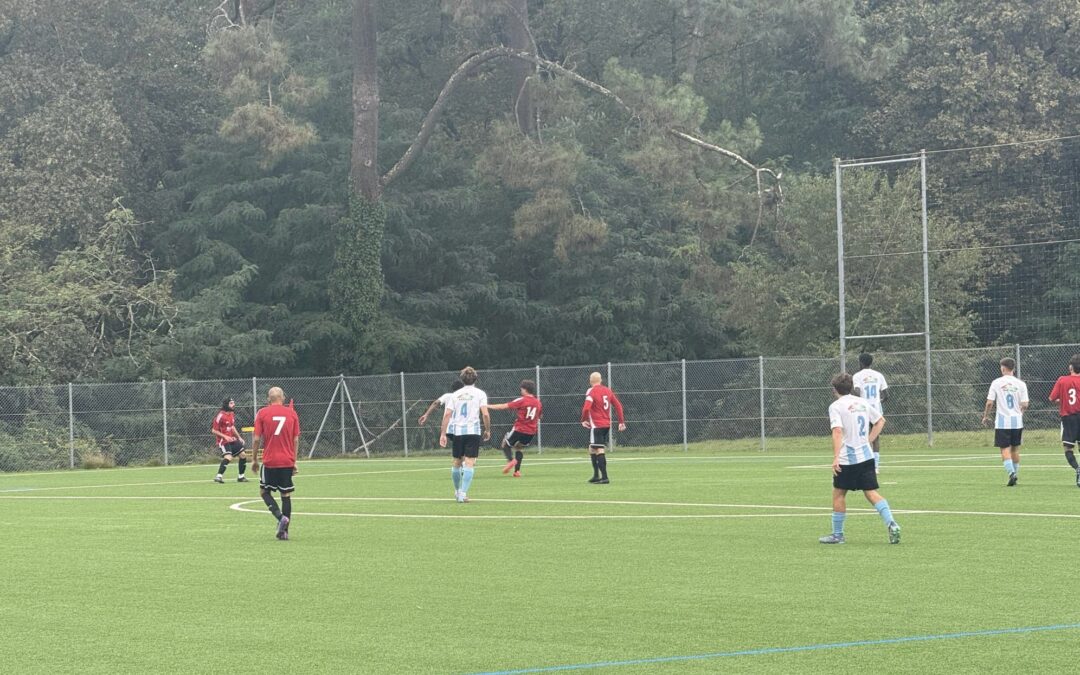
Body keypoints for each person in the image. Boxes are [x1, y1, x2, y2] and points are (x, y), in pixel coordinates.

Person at [820, 373, 901, 545]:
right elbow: (880, 421)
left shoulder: (836, 406)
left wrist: (836, 457)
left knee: (839, 493)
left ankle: (838, 535)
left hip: (847, 458)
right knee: (871, 493)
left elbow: (837, 431)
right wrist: (869, 440)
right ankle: (892, 524)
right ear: (851, 387)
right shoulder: (862, 402)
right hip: (867, 456)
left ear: (834, 389)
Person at [252, 387, 301, 540]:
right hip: (287, 460)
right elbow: (296, 440)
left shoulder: (262, 413)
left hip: (270, 460)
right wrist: (294, 461)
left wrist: (254, 459)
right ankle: (284, 532)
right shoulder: (292, 413)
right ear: (283, 398)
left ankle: (280, 517)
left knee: (264, 492)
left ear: (268, 399)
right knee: (285, 494)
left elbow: (256, 439)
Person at [439, 367, 491, 503]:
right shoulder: (480, 394)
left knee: (457, 462)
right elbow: (485, 414)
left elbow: (447, 414)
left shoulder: (456, 394)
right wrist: (487, 430)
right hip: (473, 432)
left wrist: (443, 433)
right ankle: (463, 493)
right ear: (475, 379)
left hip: (458, 432)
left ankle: (457, 492)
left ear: (462, 379)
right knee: (469, 462)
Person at [982, 358, 1029, 487]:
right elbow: (1025, 404)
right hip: (1017, 422)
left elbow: (989, 403)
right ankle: (1015, 474)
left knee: (1004, 449)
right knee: (1015, 449)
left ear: (1003, 368)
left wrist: (986, 416)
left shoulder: (996, 383)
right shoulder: (1021, 384)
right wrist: (1020, 413)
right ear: (1013, 368)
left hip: (1003, 422)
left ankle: (1011, 473)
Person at [484, 379, 542, 477]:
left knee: (505, 444)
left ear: (525, 389)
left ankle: (511, 461)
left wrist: (487, 406)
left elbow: (503, 406)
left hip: (520, 429)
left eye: (521, 389)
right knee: (519, 448)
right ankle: (517, 472)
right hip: (531, 432)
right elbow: (539, 416)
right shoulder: (538, 403)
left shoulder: (522, 400)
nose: (521, 390)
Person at [580, 372, 626, 484]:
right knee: (592, 448)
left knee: (599, 449)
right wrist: (621, 422)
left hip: (597, 425)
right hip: (606, 425)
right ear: (600, 380)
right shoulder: (607, 390)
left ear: (590, 381)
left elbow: (586, 408)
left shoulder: (592, 391)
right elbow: (618, 406)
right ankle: (596, 475)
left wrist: (583, 419)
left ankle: (604, 477)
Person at [851, 353, 889, 473]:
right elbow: (886, 395)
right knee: (875, 437)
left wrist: (857, 397)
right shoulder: (879, 375)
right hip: (876, 409)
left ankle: (861, 463)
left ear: (860, 362)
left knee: (860, 436)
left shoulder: (857, 376)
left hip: (862, 409)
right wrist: (877, 401)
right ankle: (875, 466)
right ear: (871, 363)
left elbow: (857, 392)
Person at [1049, 354, 1080, 487]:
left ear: (1070, 367)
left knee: (1068, 448)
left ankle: (1078, 469)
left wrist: (1063, 400)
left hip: (1069, 418)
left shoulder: (1062, 380)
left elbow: (1052, 398)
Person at [212, 398, 247, 483]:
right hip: (223, 441)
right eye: (231, 403)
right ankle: (219, 477)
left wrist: (239, 437)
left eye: (233, 403)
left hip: (231, 440)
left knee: (243, 455)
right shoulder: (220, 415)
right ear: (226, 405)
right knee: (228, 457)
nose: (233, 405)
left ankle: (241, 477)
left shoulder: (231, 414)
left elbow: (232, 427)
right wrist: (225, 437)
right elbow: (214, 430)